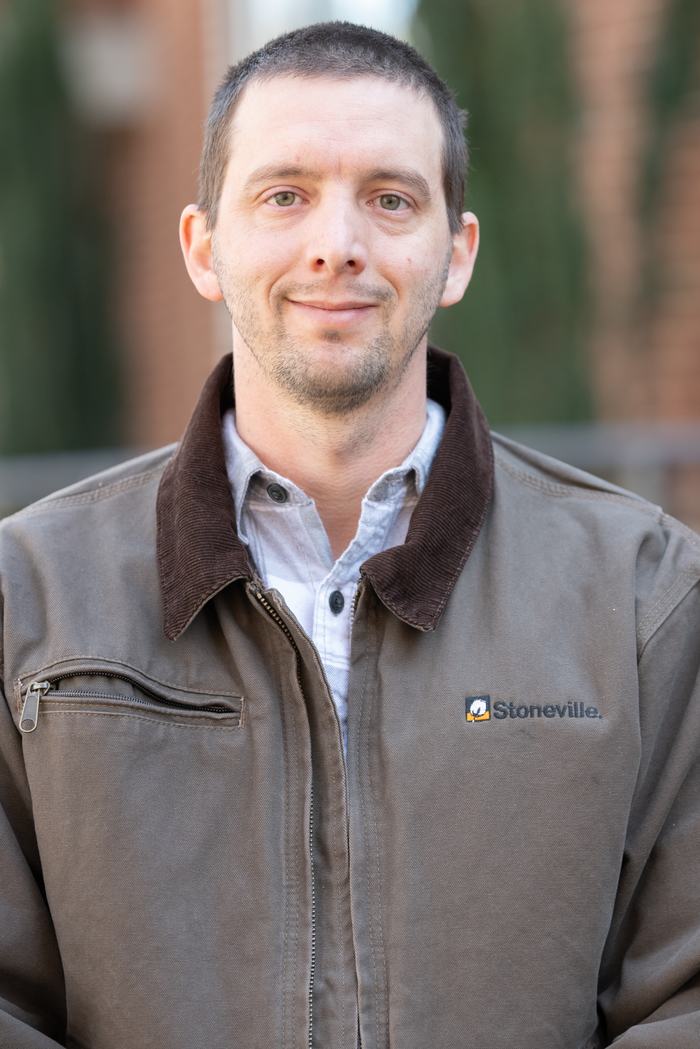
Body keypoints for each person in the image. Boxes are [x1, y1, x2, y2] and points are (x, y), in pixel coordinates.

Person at [0, 21, 698, 1049]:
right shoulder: (29, 595)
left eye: (390, 197)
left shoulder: (644, 594)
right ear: (204, 247)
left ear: (453, 253)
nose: (338, 242)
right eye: (284, 195)